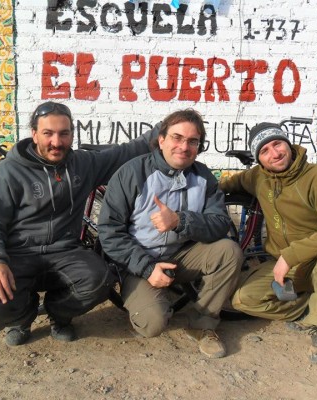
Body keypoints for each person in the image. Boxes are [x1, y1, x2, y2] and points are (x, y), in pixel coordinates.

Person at [0, 101, 161, 346]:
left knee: (100, 278)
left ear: (71, 134)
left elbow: (126, 151)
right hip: (19, 255)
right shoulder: (9, 171)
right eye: (48, 133)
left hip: (65, 252)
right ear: (34, 134)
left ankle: (59, 315)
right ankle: (23, 317)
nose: (57, 142)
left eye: (64, 133)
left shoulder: (83, 163)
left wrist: (167, 128)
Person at [97, 109, 243, 359]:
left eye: (192, 141)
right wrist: (146, 268)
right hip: (141, 261)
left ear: (198, 146)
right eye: (177, 138)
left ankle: (202, 324)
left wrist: (180, 220)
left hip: (184, 255)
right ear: (161, 140)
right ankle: (152, 299)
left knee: (229, 251)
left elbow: (220, 223)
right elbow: (109, 232)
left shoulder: (203, 176)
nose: (184, 147)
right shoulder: (132, 173)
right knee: (152, 324)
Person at [219, 122, 317, 364]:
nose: (274, 154)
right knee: (243, 300)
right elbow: (227, 184)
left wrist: (290, 255)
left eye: (277, 144)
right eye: (264, 151)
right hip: (287, 266)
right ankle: (313, 307)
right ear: (259, 160)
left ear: (288, 144)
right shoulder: (257, 177)